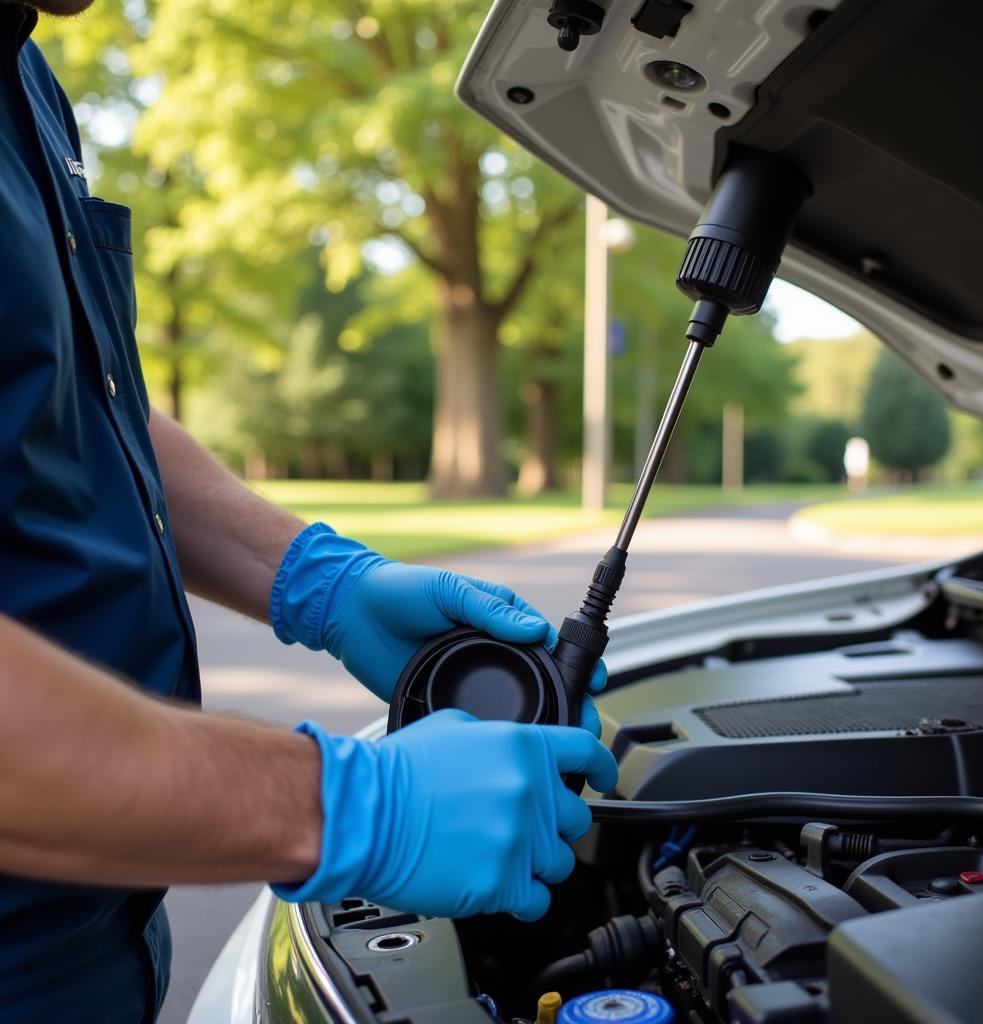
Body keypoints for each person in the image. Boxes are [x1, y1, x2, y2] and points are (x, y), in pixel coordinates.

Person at [0, 1, 618, 1020]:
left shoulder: (28, 77)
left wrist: (320, 577)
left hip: (100, 921)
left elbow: (65, 399)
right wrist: (347, 809)